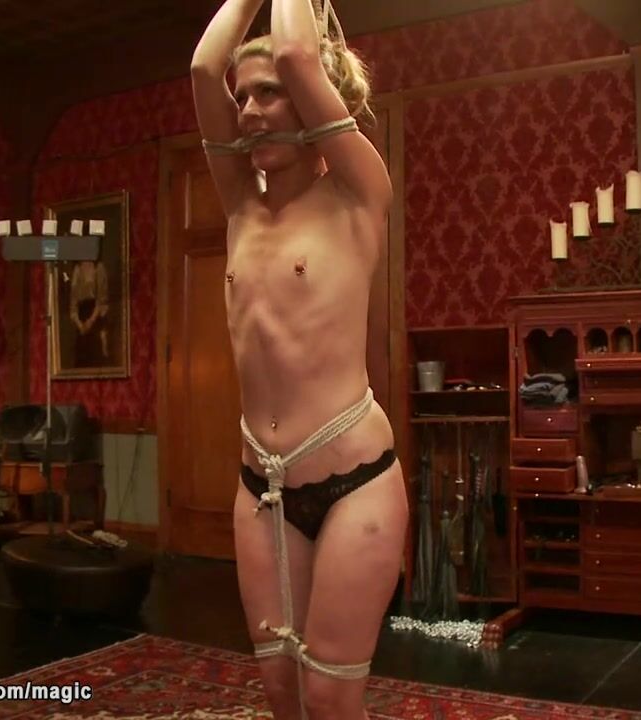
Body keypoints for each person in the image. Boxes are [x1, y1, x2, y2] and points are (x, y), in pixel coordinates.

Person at [190, 1, 405, 718]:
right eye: (243, 98)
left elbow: (296, 54)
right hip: (263, 488)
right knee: (284, 694)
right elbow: (202, 68)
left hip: (355, 483)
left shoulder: (358, 193)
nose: (249, 111)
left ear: (315, 102)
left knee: (330, 696)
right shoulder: (239, 206)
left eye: (269, 94)